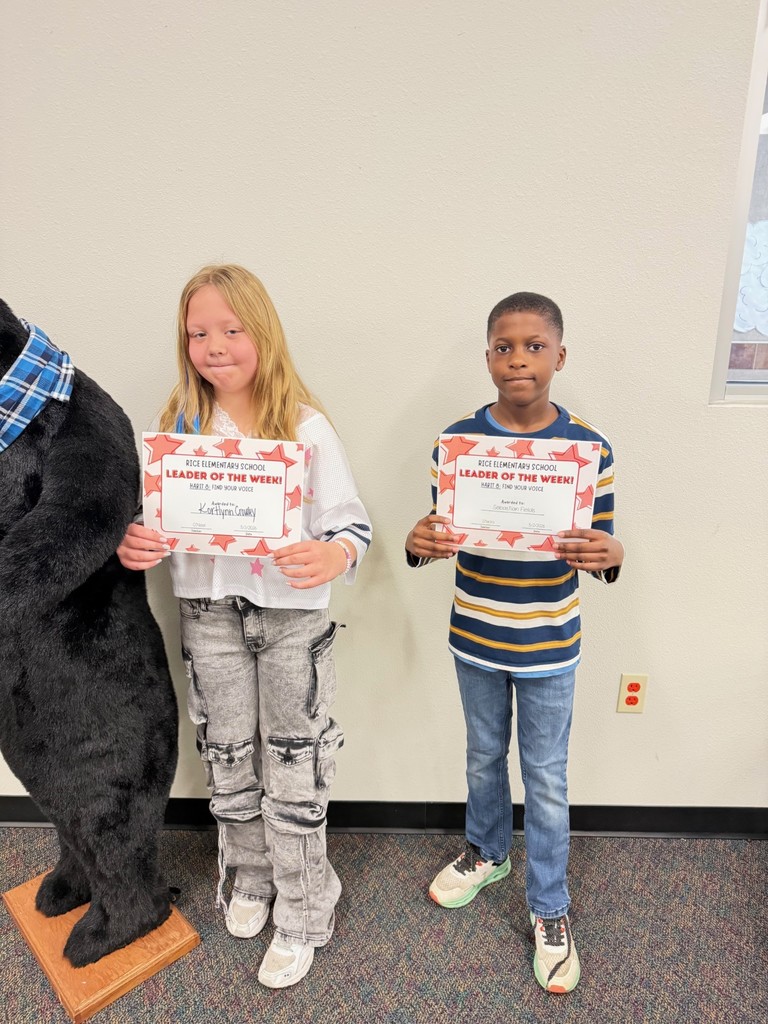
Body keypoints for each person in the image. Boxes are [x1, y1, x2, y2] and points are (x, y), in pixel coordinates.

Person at [117, 264, 371, 988]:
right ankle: (253, 877)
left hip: (292, 621)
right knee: (227, 755)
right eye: (198, 332)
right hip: (209, 615)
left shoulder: (305, 425)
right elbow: (149, 521)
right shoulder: (177, 431)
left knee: (293, 761)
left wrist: (332, 552)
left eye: (231, 329)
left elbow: (353, 526)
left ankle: (305, 906)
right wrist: (138, 539)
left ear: (263, 333)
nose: (214, 345)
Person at [405, 292, 623, 994]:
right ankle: (488, 852)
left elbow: (603, 549)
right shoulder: (457, 444)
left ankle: (550, 908)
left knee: (549, 780)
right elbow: (439, 533)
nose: (518, 358)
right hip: (475, 632)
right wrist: (419, 544)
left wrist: (612, 553)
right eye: (504, 346)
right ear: (488, 357)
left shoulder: (590, 449)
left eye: (534, 346)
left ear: (560, 356)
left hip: (551, 642)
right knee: (482, 756)